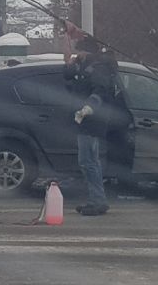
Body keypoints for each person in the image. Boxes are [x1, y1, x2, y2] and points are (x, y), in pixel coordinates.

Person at [64, 32, 119, 216]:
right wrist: (70, 63)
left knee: (88, 162)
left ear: (86, 52)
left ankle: (97, 201)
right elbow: (68, 76)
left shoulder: (98, 68)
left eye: (79, 52)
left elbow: (100, 91)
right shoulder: (87, 66)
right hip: (87, 122)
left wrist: (88, 108)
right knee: (89, 161)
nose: (76, 55)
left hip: (91, 121)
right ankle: (96, 199)